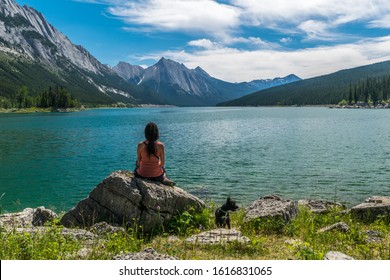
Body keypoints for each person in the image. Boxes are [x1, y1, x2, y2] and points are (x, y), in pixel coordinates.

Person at [134, 122, 175, 186]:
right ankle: (164, 178)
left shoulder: (140, 145)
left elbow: (139, 162)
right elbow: (162, 163)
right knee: (163, 168)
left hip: (142, 175)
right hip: (156, 175)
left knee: (136, 163)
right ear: (156, 133)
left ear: (146, 133)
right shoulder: (161, 145)